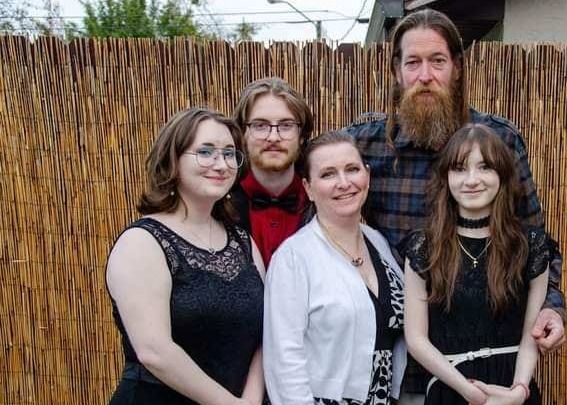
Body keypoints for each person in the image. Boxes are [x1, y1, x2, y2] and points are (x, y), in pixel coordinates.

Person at [343, 9, 565, 401]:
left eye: (437, 61)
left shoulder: (499, 140)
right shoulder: (364, 146)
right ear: (396, 72)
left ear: (457, 68)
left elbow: (534, 242)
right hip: (393, 366)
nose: (425, 75)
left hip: (492, 368)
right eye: (413, 63)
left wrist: (551, 308)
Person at [106, 107, 265, 405]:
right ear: (173, 160)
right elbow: (154, 351)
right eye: (205, 152)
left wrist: (252, 399)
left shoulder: (242, 242)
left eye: (229, 154)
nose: (221, 164)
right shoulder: (142, 242)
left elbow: (266, 332)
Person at [403, 125, 549, 405]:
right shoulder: (424, 247)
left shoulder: (530, 245)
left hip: (512, 393)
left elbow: (531, 334)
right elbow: (416, 339)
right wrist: (469, 391)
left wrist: (519, 391)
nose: (471, 180)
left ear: (502, 175)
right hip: (451, 390)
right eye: (459, 169)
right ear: (446, 177)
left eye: (484, 167)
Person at [263, 131, 406, 405]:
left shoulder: (378, 242)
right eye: (328, 174)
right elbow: (283, 359)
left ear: (367, 176)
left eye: (352, 169)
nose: (344, 183)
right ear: (308, 188)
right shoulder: (293, 258)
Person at [231, 77, 314, 266]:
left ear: (301, 136)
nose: (274, 137)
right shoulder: (219, 205)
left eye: (286, 125)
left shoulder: (323, 202)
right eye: (260, 125)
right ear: (242, 133)